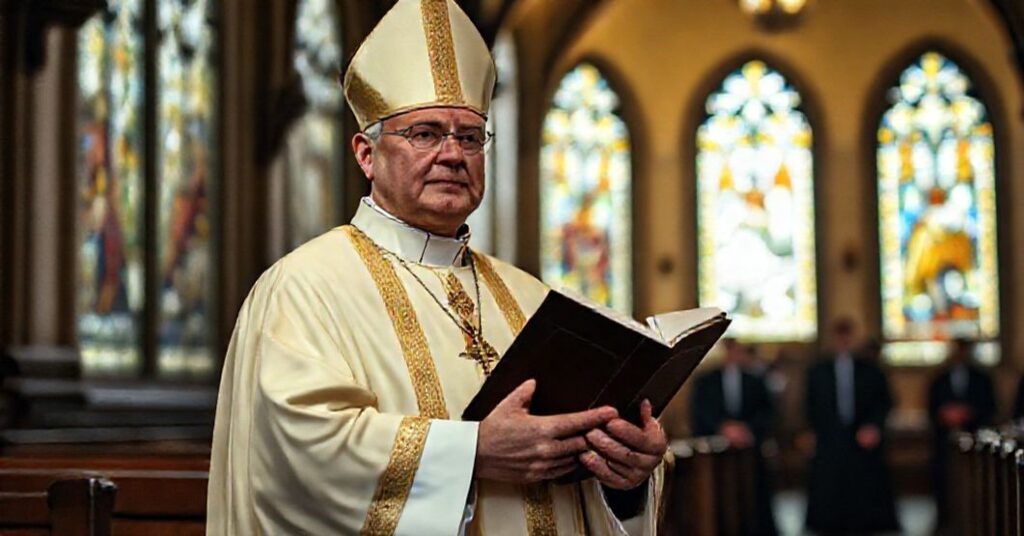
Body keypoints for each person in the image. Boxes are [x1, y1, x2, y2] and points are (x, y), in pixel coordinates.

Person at [206, 1, 669, 534]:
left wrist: (626, 476)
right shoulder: (302, 289)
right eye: (425, 133)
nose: (453, 154)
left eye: (470, 136)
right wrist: (472, 452)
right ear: (365, 153)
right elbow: (297, 457)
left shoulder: (530, 298)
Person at [804, 319, 899, 534]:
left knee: (864, 488)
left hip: (862, 438)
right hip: (830, 439)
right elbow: (810, 405)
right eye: (839, 335)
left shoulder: (871, 370)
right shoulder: (818, 371)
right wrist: (810, 432)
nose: (843, 341)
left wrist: (873, 426)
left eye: (848, 335)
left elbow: (883, 402)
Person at [691, 339, 777, 535]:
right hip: (715, 456)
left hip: (750, 452)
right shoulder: (705, 381)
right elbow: (700, 411)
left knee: (753, 497)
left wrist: (747, 429)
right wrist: (723, 428)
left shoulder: (754, 380)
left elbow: (767, 412)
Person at [928, 338, 995, 528]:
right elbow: (931, 408)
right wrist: (946, 415)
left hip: (975, 441)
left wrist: (968, 413)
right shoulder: (939, 378)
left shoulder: (982, 378)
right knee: (944, 481)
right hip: (944, 441)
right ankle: (945, 520)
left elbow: (990, 408)